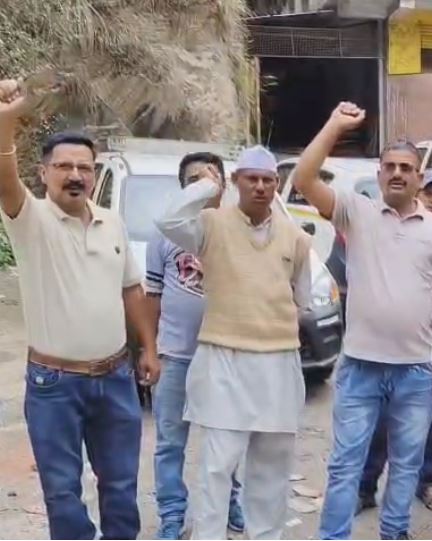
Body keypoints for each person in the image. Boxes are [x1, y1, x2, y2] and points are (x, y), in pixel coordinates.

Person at [293, 102, 432, 540]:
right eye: (390, 166)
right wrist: (334, 125)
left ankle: (394, 532)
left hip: (415, 370)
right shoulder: (357, 212)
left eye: (406, 168)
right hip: (361, 367)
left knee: (406, 463)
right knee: (345, 463)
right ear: (379, 173)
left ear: (419, 178)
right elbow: (303, 179)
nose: (397, 174)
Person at [0, 79, 159, 539]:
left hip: (115, 379)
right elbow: (3, 175)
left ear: (94, 174)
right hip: (54, 385)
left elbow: (132, 290)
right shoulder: (30, 219)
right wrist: (6, 120)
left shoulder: (112, 222)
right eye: (64, 166)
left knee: (122, 486)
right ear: (43, 173)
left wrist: (149, 349)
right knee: (63, 492)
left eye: (84, 167)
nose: (75, 175)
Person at [156, 145, 311, 539]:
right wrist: (207, 187)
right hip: (224, 358)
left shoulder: (296, 237)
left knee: (271, 468)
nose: (259, 186)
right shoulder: (210, 224)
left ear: (276, 184)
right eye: (251, 179)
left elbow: (302, 300)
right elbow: (167, 219)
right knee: (217, 465)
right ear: (236, 181)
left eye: (267, 180)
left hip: (278, 362)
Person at [357, 170, 432, 513]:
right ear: (418, 193)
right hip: (400, 344)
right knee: (381, 421)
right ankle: (366, 485)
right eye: (429, 194)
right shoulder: (398, 234)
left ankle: (428, 478)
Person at [146, 152, 244, 539]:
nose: (204, 186)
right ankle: (172, 516)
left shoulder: (236, 230)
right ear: (183, 187)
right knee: (170, 443)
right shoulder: (165, 234)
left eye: (212, 178)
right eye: (194, 180)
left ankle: (231, 503)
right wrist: (149, 349)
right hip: (175, 357)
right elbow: (152, 295)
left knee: (227, 438)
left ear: (225, 185)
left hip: (223, 354)